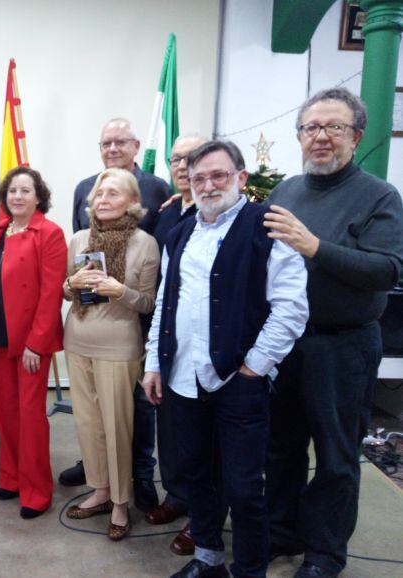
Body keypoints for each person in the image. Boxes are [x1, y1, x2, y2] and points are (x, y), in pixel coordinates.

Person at [142, 140, 308, 578]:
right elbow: (165, 303)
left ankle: (249, 571)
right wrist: (154, 363)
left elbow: (291, 307)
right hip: (182, 379)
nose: (209, 185)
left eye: (219, 175)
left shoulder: (267, 226)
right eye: (199, 178)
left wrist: (256, 366)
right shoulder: (178, 233)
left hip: (240, 381)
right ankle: (209, 559)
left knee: (244, 487)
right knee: (196, 474)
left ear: (241, 178)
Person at [263, 87, 403, 578]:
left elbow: (388, 270)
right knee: (279, 449)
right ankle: (281, 533)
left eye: (334, 128)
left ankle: (324, 553)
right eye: (310, 128)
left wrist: (315, 246)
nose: (320, 137)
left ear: (356, 136)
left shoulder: (379, 195)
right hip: (286, 344)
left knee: (336, 457)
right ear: (300, 137)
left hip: (342, 346)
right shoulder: (286, 191)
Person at [62, 118, 172, 516]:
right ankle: (100, 488)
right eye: (98, 193)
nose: (102, 199)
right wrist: (72, 284)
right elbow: (65, 289)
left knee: (118, 426)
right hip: (76, 340)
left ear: (132, 201)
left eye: (113, 193)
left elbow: (147, 303)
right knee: (88, 425)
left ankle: (123, 502)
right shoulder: (78, 239)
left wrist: (119, 290)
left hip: (119, 345)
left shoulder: (146, 244)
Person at [0, 166, 66, 519]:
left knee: (31, 416)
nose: (17, 196)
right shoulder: (0, 229)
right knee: (4, 410)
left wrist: (37, 342)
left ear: (39, 196)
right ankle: (12, 477)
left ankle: (36, 491)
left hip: (31, 341)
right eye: (12, 190)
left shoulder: (49, 233)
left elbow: (50, 295)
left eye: (25, 191)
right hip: (1, 333)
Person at [147, 134, 207, 557]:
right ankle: (177, 494)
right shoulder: (168, 212)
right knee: (169, 424)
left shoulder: (220, 210)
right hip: (166, 333)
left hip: (207, 341)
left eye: (192, 158)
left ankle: (202, 517)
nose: (182, 165)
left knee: (203, 434)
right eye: (176, 159)